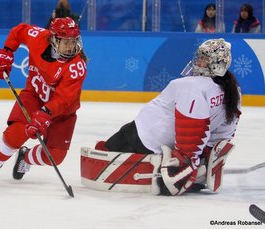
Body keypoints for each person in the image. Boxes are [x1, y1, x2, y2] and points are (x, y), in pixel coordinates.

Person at [92, 38, 241, 196]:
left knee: (103, 155)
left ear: (216, 64)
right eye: (199, 57)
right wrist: (207, 154)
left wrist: (186, 160)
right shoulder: (233, 91)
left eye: (204, 59)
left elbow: (192, 125)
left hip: (144, 136)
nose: (198, 62)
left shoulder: (192, 85)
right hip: (165, 144)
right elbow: (225, 130)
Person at [0, 17, 87, 184]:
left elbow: (63, 99)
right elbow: (19, 30)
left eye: (74, 41)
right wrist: (7, 51)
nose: (71, 46)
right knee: (15, 134)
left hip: (62, 113)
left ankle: (26, 158)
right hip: (34, 97)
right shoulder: (38, 37)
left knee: (55, 156)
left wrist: (44, 115)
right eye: (66, 41)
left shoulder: (76, 67)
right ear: (53, 39)